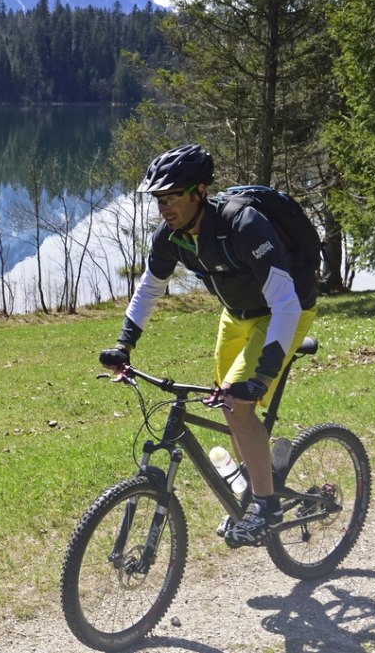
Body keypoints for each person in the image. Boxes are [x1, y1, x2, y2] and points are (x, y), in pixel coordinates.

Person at [99, 145, 317, 547]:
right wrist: (124, 344)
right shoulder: (172, 237)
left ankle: (265, 507)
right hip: (236, 314)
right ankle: (257, 482)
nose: (165, 207)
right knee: (226, 401)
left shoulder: (243, 224)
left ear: (199, 191)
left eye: (174, 197)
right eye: (160, 199)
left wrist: (265, 371)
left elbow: (285, 302)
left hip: (285, 309)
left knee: (237, 403)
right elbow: (150, 289)